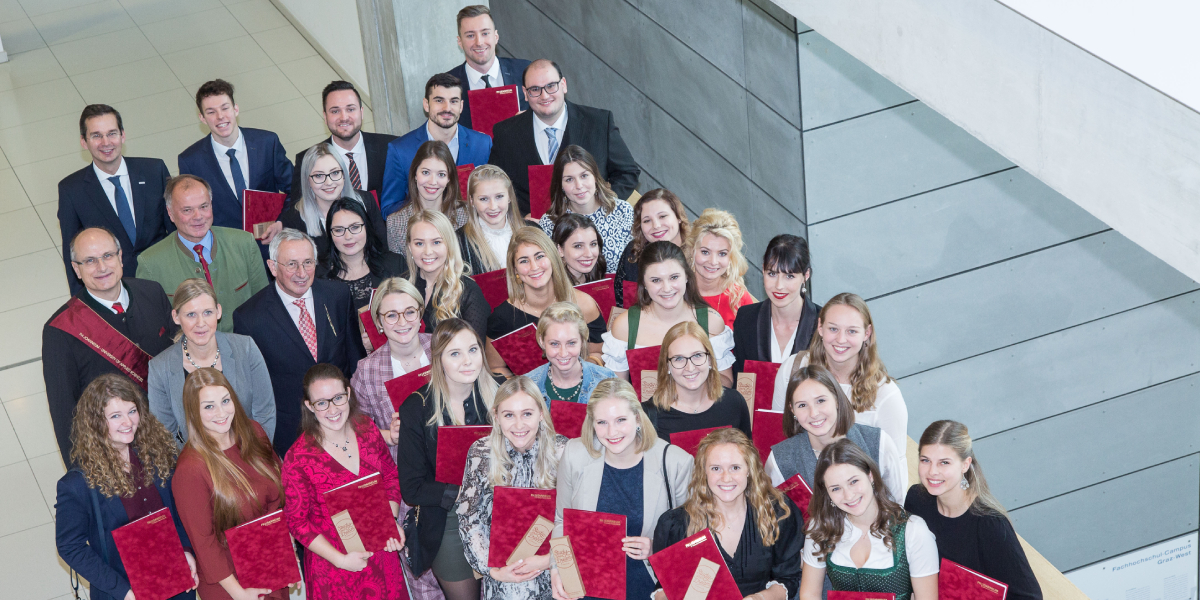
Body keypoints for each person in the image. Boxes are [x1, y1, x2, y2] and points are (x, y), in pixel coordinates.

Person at [54, 374, 199, 600]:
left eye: (132, 411)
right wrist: (124, 592)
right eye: (115, 416)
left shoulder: (157, 454)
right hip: (123, 591)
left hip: (176, 581)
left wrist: (187, 551)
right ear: (95, 422)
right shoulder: (75, 484)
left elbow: (178, 511)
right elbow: (70, 547)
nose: (128, 422)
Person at [550, 378, 692, 600]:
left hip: (648, 588)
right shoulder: (575, 454)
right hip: (587, 589)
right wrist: (557, 568)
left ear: (637, 417)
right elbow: (561, 521)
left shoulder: (675, 462)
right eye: (602, 422)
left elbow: (692, 537)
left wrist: (657, 548)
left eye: (620, 420)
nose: (611, 432)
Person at [44, 228, 177, 463]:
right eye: (90, 261)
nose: (102, 267)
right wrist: (82, 474)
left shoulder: (152, 292)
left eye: (108, 256)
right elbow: (64, 411)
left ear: (120, 256)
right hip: (116, 454)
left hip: (172, 435)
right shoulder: (61, 329)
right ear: (76, 269)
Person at [282, 364, 408, 600]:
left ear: (348, 394)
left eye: (338, 398)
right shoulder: (297, 458)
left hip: (381, 555)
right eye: (322, 402)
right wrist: (341, 560)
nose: (332, 409)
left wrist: (389, 523)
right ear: (309, 406)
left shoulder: (368, 429)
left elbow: (390, 476)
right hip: (334, 568)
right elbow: (297, 523)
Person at [396, 319, 501, 600]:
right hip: (448, 520)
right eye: (454, 354)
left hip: (502, 513)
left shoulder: (501, 394)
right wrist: (467, 494)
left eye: (473, 349)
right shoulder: (417, 407)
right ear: (438, 359)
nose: (468, 361)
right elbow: (412, 487)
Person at [234, 229, 364, 456]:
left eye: (308, 263)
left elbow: (355, 360)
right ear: (273, 267)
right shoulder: (249, 318)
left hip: (344, 422)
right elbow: (252, 390)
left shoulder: (337, 296)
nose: (302, 273)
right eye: (292, 264)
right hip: (291, 434)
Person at [172, 368, 285, 600]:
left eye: (225, 400)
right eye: (209, 406)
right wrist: (240, 594)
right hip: (231, 585)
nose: (221, 412)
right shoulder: (190, 469)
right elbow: (205, 545)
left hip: (271, 564)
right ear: (194, 412)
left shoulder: (254, 432)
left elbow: (279, 489)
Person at [652, 429, 803, 600]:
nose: (726, 478)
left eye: (735, 468)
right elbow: (663, 589)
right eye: (716, 468)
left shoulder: (777, 513)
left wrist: (758, 598)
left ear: (749, 469)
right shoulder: (677, 524)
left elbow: (789, 579)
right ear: (704, 472)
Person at [458, 376, 569, 599]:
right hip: (501, 574)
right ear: (496, 416)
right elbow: (469, 517)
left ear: (541, 413)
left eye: (527, 414)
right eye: (509, 415)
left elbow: (576, 520)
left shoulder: (563, 451)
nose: (519, 425)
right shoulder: (481, 452)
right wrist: (494, 571)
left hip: (552, 570)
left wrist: (548, 560)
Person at [905, 421, 1042, 599]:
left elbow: (1030, 597)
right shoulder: (917, 500)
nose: (932, 471)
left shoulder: (990, 525)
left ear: (965, 464)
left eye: (944, 463)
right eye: (925, 460)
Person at [771, 293, 908, 465]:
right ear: (820, 327)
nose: (841, 340)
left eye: (852, 331)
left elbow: (894, 468)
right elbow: (777, 437)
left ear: (867, 333)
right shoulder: (792, 369)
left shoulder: (886, 395)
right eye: (833, 329)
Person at [490, 59, 641, 215]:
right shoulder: (506, 133)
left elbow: (627, 173)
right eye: (535, 89)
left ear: (563, 85)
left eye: (550, 86)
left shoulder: (599, 123)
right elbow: (495, 186)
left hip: (591, 229)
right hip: (532, 233)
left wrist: (601, 207)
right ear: (525, 94)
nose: (544, 95)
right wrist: (520, 219)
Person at [800, 440, 938, 600]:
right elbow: (809, 595)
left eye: (853, 481)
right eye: (836, 488)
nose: (849, 495)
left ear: (870, 475)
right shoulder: (820, 528)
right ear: (827, 493)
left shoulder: (913, 530)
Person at [148, 279, 276, 448]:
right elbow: (165, 435)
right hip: (197, 466)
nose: (201, 323)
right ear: (176, 317)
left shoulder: (246, 348)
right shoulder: (160, 368)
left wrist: (253, 459)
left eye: (207, 312)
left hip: (250, 456)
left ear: (219, 312)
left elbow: (265, 413)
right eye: (191, 315)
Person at [59, 104, 172, 292]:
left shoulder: (154, 171)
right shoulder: (71, 190)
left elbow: (175, 228)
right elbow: (72, 255)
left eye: (112, 133)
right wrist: (82, 305)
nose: (106, 142)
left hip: (164, 280)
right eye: (96, 135)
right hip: (114, 288)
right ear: (83, 142)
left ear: (123, 135)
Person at [136, 174, 269, 331]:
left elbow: (264, 306)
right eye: (187, 210)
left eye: (203, 207)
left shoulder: (244, 243)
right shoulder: (150, 263)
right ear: (170, 213)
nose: (198, 216)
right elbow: (154, 327)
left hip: (245, 347)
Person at [766, 365, 907, 504]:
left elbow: (898, 507)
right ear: (792, 410)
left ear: (837, 399)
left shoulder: (879, 443)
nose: (813, 413)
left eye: (821, 401)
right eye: (802, 405)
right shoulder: (779, 460)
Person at [603, 241, 734, 388]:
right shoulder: (625, 325)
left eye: (674, 277)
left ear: (687, 277)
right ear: (644, 283)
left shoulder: (711, 321)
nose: (667, 288)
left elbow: (727, 384)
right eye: (656, 280)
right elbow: (616, 388)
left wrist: (695, 372)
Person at [177, 79, 290, 244]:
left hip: (271, 241)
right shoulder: (191, 161)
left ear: (235, 108)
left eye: (225, 108)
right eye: (211, 112)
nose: (220, 116)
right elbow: (191, 212)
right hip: (225, 250)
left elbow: (295, 188)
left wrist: (282, 222)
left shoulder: (267, 143)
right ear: (202, 117)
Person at [486, 227, 606, 375]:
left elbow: (600, 352)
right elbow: (496, 368)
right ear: (515, 270)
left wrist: (579, 373)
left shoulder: (583, 304)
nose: (534, 267)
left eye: (539, 256)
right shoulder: (502, 317)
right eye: (524, 261)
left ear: (553, 258)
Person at [380, 74, 493, 217]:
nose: (447, 108)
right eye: (439, 101)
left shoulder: (483, 144)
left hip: (473, 233)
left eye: (454, 101)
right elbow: (389, 209)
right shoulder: (400, 150)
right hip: (424, 234)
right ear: (426, 104)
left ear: (461, 106)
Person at [350, 277, 433, 462]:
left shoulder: (444, 348)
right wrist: (389, 436)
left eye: (409, 312)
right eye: (391, 315)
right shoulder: (367, 370)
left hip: (450, 459)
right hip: (402, 468)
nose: (402, 322)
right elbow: (356, 429)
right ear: (379, 322)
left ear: (420, 315)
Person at [641, 322, 751, 441]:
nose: (690, 367)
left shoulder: (734, 403)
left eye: (697, 355)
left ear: (709, 359)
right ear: (667, 366)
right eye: (679, 358)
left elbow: (746, 455)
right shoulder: (648, 415)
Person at [291, 81, 398, 200]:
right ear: (325, 117)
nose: (344, 118)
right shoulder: (306, 159)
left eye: (350, 109)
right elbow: (298, 207)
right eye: (335, 111)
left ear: (361, 113)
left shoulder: (392, 147)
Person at [281, 142, 389, 258]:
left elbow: (382, 250)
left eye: (335, 173)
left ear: (344, 174)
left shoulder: (366, 201)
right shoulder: (293, 219)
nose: (329, 183)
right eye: (318, 176)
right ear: (307, 181)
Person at [537, 145, 633, 273]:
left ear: (595, 177)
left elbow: (635, 263)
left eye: (584, 176)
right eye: (569, 179)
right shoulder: (549, 223)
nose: (579, 185)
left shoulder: (623, 211)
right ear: (560, 185)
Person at [732, 234, 819, 373]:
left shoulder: (823, 323)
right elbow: (741, 381)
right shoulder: (746, 318)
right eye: (772, 274)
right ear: (763, 270)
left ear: (806, 275)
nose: (779, 286)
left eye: (789, 276)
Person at [405, 210, 490, 339]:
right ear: (410, 247)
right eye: (419, 243)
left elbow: (475, 349)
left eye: (437, 242)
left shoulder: (468, 291)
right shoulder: (400, 286)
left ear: (449, 245)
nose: (428, 251)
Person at [446, 5, 532, 131]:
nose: (479, 42)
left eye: (485, 33)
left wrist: (532, 119)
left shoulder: (525, 70)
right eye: (470, 35)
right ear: (459, 42)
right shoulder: (447, 84)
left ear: (496, 36)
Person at [316, 197, 408, 315]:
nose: (348, 236)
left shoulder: (396, 265)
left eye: (355, 227)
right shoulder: (318, 277)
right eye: (339, 230)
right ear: (330, 234)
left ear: (366, 228)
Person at [525, 302, 614, 406]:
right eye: (554, 344)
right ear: (541, 341)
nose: (563, 353)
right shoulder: (527, 386)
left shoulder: (608, 382)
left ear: (582, 340)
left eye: (571, 343)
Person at [387, 141, 470, 251]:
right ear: (415, 174)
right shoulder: (395, 223)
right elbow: (399, 267)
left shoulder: (467, 214)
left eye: (441, 174)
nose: (432, 182)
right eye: (426, 172)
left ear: (449, 179)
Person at [613, 189, 690, 307]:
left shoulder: (700, 254)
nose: (656, 226)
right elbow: (621, 301)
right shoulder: (633, 253)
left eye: (662, 216)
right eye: (647, 220)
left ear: (678, 217)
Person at [456, 165, 536, 275]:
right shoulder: (458, 242)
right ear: (472, 201)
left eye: (499, 196)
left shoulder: (533, 230)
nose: (493, 206)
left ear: (509, 197)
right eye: (484, 199)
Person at [683, 208, 754, 328]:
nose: (713, 262)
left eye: (722, 254)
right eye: (705, 252)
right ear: (692, 250)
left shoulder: (739, 300)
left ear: (731, 257)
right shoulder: (674, 289)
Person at [551, 213, 607, 285]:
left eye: (593, 244)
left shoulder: (598, 277)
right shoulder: (550, 288)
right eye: (578, 246)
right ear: (560, 250)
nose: (589, 254)